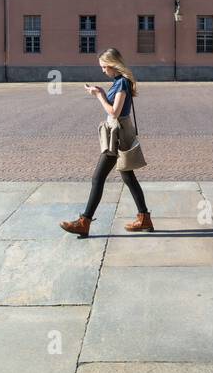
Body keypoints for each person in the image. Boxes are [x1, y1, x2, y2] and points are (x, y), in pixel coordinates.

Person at [61, 49, 153, 237]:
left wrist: (99, 96)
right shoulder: (119, 82)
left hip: (118, 136)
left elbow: (114, 112)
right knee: (128, 177)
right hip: (118, 134)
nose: (103, 71)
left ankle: (84, 222)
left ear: (113, 65)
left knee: (98, 178)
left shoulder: (122, 83)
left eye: (104, 67)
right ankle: (144, 218)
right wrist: (102, 91)